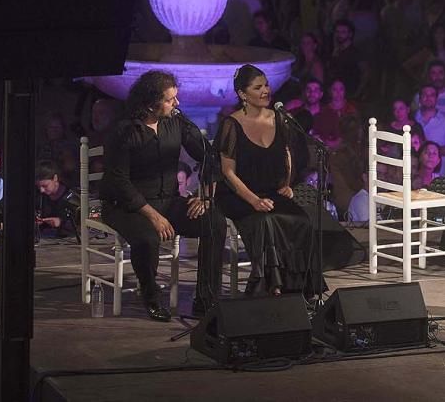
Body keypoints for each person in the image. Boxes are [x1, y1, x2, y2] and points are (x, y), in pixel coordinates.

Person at [99, 70, 225, 321]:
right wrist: (153, 216)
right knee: (147, 239)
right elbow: (119, 181)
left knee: (214, 222)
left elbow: (209, 157)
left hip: (168, 199)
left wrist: (204, 197)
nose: (176, 104)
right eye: (170, 100)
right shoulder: (124, 131)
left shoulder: (175, 122)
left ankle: (206, 299)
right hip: (128, 206)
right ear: (150, 103)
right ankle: (151, 296)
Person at [215, 65, 319, 301]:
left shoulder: (279, 118)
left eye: (266, 85)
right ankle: (270, 286)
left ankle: (297, 287)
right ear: (243, 94)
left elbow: (287, 153)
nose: (265, 91)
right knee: (266, 221)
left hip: (271, 191)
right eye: (258, 87)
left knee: (301, 220)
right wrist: (254, 200)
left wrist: (287, 183)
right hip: (238, 194)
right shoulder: (232, 124)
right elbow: (228, 172)